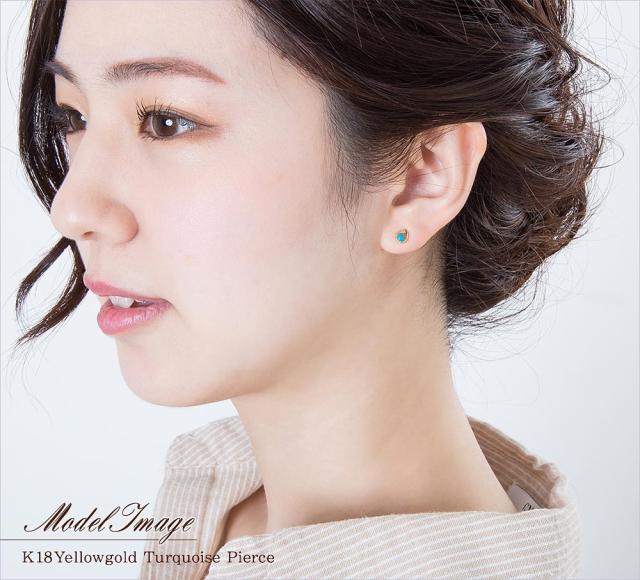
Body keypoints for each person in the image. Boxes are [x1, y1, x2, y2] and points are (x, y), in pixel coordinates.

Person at [14, 0, 608, 578]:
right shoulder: (224, 501)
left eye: (167, 122)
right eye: (74, 117)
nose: (72, 209)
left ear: (421, 178)